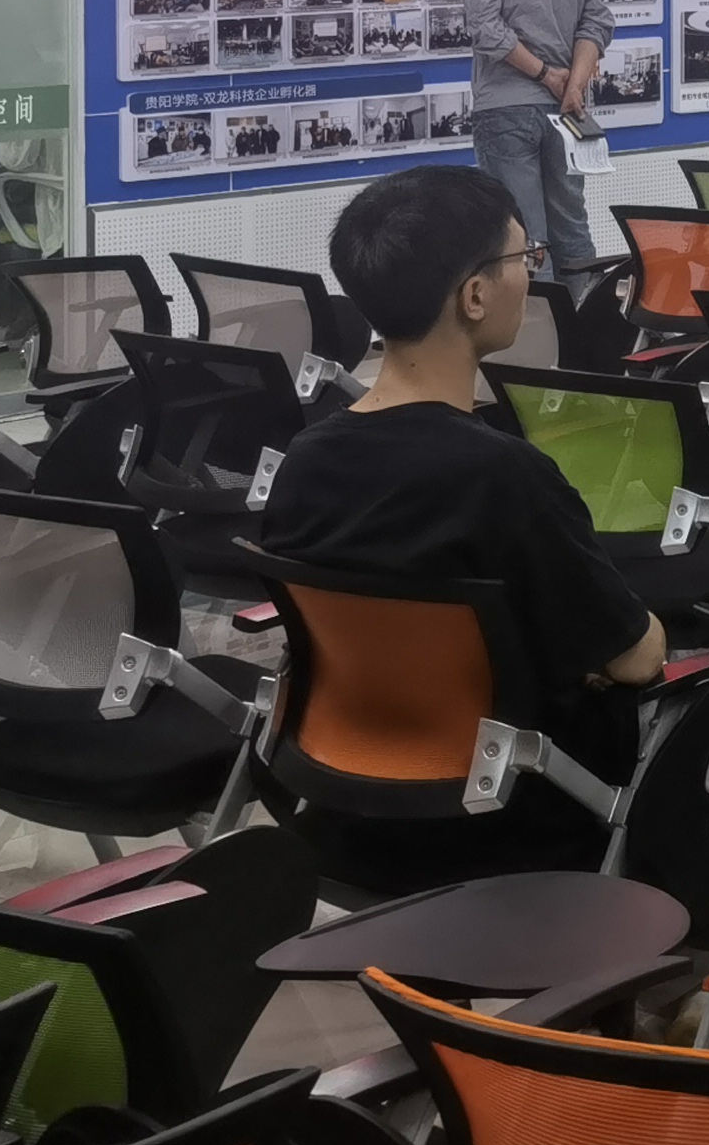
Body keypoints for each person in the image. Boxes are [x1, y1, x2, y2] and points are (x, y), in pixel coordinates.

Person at [258, 168, 665, 884]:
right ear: (474, 295)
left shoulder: (305, 460)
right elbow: (635, 660)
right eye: (524, 257)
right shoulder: (504, 476)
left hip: (348, 801)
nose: (530, 272)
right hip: (512, 809)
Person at [453, 0, 608, 273]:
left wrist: (546, 76)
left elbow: (487, 31)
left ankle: (540, 321)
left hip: (506, 108)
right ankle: (585, 317)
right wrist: (573, 84)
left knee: (524, 244)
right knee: (573, 230)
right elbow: (596, 22)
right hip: (568, 112)